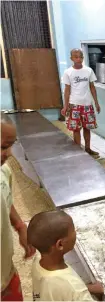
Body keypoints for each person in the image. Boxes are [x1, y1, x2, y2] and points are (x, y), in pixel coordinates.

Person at [28, 210, 105, 301]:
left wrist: (87, 288)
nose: (75, 232)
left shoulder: (38, 260)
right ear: (60, 244)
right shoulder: (72, 287)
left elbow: (61, 292)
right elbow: (70, 289)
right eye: (73, 230)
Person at [1, 113, 36, 302]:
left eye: (10, 145)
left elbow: (6, 201)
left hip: (6, 272)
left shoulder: (4, 171)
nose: (9, 154)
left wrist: (20, 226)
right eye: (2, 147)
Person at [61, 49, 100, 156]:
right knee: (76, 129)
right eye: (76, 57)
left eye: (81, 57)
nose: (79, 59)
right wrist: (65, 106)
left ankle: (88, 148)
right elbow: (67, 90)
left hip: (87, 105)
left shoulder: (88, 70)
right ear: (71, 58)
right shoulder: (68, 72)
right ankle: (78, 151)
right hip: (74, 105)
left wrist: (96, 103)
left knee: (87, 128)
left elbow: (92, 88)